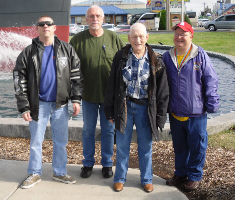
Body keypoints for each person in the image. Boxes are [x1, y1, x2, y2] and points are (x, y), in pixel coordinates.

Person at [13, 15, 83, 189]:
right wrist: (24, 106)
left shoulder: (67, 50)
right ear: (37, 28)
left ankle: (59, 172)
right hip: (39, 105)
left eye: (48, 24)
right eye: (41, 24)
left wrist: (76, 99)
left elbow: (76, 76)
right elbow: (18, 80)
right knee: (36, 142)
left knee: (61, 141)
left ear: (54, 28)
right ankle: (34, 173)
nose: (45, 26)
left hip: (60, 105)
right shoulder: (28, 52)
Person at [104, 23, 169, 193]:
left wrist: (161, 116)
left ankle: (146, 179)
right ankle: (119, 178)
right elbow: (112, 85)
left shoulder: (156, 59)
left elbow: (163, 92)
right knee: (123, 146)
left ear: (147, 37)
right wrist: (109, 110)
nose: (138, 40)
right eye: (134, 36)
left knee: (145, 147)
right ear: (129, 38)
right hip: (125, 107)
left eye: (141, 36)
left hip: (145, 109)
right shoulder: (121, 57)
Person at [162, 22, 220, 192]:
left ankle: (194, 176)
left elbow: (211, 80)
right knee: (179, 146)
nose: (179, 37)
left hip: (196, 113)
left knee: (197, 146)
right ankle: (180, 173)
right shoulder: (167, 56)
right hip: (175, 112)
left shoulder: (200, 55)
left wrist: (212, 103)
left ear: (191, 36)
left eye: (183, 34)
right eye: (177, 34)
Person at [70, 5, 125, 179]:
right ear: (86, 19)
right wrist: (74, 97)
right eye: (91, 16)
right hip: (87, 96)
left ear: (103, 18)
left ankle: (107, 164)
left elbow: (125, 65)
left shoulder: (114, 38)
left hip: (109, 97)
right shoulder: (77, 41)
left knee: (108, 130)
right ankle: (87, 163)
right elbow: (70, 70)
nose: (94, 19)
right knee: (88, 130)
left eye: (98, 16)